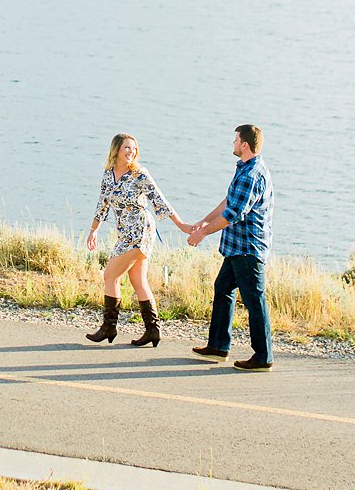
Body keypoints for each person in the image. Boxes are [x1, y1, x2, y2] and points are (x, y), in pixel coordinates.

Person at [83, 133, 191, 347]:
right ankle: (152, 330)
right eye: (127, 148)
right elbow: (102, 204)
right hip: (125, 232)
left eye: (133, 148)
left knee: (110, 276)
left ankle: (109, 327)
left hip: (140, 231)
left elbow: (159, 199)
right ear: (116, 150)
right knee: (138, 281)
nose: (131, 152)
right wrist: (93, 230)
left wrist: (181, 225)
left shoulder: (140, 174)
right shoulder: (108, 175)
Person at [185, 124, 272, 371]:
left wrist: (202, 233)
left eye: (235, 140)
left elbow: (233, 213)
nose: (232, 144)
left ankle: (263, 357)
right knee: (223, 287)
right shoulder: (244, 169)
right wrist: (204, 219)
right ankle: (218, 346)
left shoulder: (252, 174)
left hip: (248, 248)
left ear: (245, 144)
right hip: (236, 247)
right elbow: (228, 200)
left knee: (255, 300)